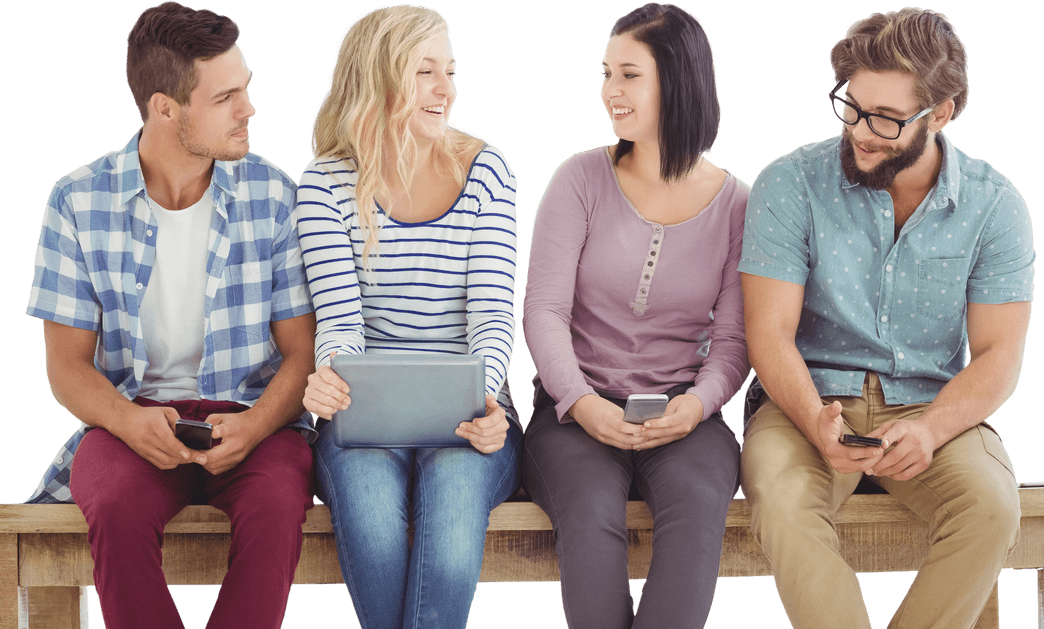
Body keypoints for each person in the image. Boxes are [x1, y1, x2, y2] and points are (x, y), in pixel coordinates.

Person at [23, 2, 317, 628]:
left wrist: (259, 424)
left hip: (252, 422)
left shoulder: (274, 195)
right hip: (133, 421)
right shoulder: (77, 202)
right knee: (114, 503)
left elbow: (303, 352)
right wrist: (129, 423)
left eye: (248, 89)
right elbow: (67, 368)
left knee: (277, 498)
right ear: (164, 107)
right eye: (226, 98)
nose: (249, 110)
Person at [738, 7, 1033, 629]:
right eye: (850, 107)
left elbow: (1000, 355)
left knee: (991, 509)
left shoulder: (995, 205)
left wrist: (931, 429)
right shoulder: (789, 184)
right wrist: (815, 422)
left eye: (887, 119)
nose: (861, 132)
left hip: (934, 408)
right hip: (807, 403)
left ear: (944, 111)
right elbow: (768, 333)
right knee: (783, 503)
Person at [521, 4, 749, 628]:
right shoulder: (578, 179)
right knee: (591, 512)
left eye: (628, 75)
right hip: (573, 413)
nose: (609, 92)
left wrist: (698, 405)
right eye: (605, 74)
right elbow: (543, 310)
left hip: (686, 416)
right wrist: (582, 401)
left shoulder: (738, 206)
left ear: (676, 80)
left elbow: (732, 341)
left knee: (699, 505)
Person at [295, 5, 521, 628]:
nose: (445, 89)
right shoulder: (324, 184)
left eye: (450, 71)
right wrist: (330, 374)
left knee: (448, 543)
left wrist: (489, 402)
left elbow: (492, 318)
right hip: (364, 419)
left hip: (472, 417)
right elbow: (340, 323)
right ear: (380, 78)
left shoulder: (486, 172)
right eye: (426, 71)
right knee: (374, 538)